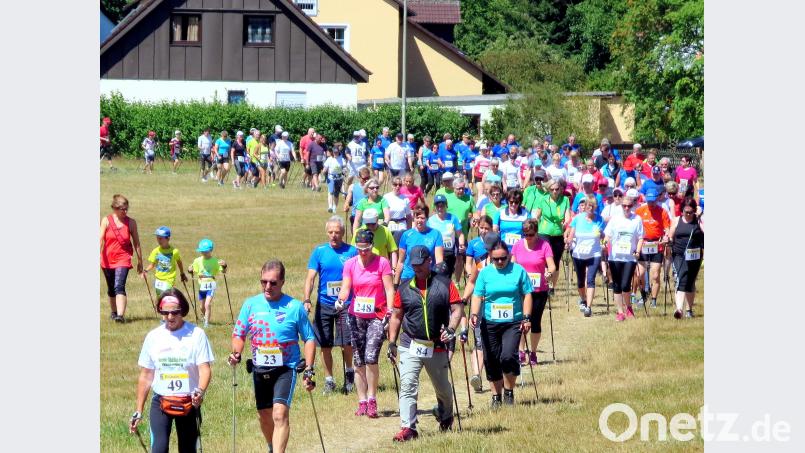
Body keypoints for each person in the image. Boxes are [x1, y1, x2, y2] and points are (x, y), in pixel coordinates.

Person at [228, 260, 317, 453]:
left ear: (283, 282)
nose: (267, 286)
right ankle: (271, 447)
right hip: (260, 368)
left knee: (279, 414)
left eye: (273, 282)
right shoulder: (250, 305)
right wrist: (236, 353)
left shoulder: (294, 307)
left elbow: (309, 338)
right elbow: (239, 334)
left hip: (286, 368)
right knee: (265, 415)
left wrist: (309, 368)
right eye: (264, 282)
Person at [388, 245, 464, 441]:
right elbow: (396, 316)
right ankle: (408, 428)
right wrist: (392, 342)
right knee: (408, 385)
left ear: (429, 261)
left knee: (444, 390)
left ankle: (446, 416)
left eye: (420, 265)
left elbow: (457, 310)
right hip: (409, 344)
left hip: (436, 345)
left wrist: (451, 329)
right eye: (414, 265)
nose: (417, 269)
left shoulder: (445, 284)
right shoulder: (404, 288)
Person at [129, 289, 213, 453]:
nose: (170, 317)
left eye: (175, 312)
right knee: (159, 449)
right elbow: (146, 376)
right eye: (165, 312)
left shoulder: (197, 334)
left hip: (189, 402)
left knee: (188, 449)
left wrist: (200, 392)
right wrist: (138, 410)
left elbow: (205, 370)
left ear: (183, 310)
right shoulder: (153, 337)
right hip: (161, 402)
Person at [338, 229, 395, 418]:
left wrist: (389, 309)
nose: (363, 252)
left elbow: (389, 288)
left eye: (367, 249)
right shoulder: (350, 264)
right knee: (358, 359)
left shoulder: (382, 263)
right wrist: (341, 300)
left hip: (377, 315)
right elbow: (346, 288)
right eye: (360, 249)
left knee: (371, 356)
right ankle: (361, 400)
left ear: (372, 246)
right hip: (356, 316)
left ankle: (372, 398)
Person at [469, 238, 533, 407]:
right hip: (490, 322)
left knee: (508, 356)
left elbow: (527, 294)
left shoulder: (518, 271)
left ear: (508, 255)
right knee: (491, 359)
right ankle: (496, 397)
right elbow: (477, 295)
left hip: (513, 322)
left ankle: (509, 392)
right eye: (495, 259)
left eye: (503, 258)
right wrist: (474, 313)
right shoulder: (484, 273)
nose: (499, 262)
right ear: (490, 256)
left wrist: (526, 317)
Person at [304, 217, 358, 394]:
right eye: (331, 232)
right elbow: (311, 278)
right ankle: (329, 380)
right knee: (325, 344)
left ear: (343, 232)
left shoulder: (352, 251)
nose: (334, 235)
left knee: (346, 343)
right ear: (327, 232)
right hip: (324, 305)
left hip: (346, 304)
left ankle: (350, 374)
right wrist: (307, 299)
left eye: (337, 232)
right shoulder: (319, 252)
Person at [510, 219, 555, 365]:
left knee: (535, 322)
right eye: (525, 234)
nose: (528, 237)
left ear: (536, 232)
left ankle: (533, 353)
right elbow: (513, 266)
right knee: (522, 320)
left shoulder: (544, 245)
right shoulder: (517, 246)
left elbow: (552, 266)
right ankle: (521, 351)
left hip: (539, 290)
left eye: (531, 234)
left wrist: (549, 273)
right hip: (522, 291)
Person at [100, 194, 144, 323]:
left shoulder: (131, 222)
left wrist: (140, 261)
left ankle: (120, 315)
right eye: (122, 209)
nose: (125, 212)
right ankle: (113, 312)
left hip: (123, 259)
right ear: (114, 208)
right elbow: (100, 238)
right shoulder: (106, 220)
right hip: (107, 259)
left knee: (119, 286)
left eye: (126, 209)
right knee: (111, 288)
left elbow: (137, 243)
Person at [603, 196, 644, 321]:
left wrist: (637, 251)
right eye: (624, 206)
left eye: (629, 206)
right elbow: (607, 235)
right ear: (621, 206)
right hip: (615, 256)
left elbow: (641, 237)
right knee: (617, 285)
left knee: (626, 284)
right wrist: (605, 242)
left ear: (633, 206)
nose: (626, 208)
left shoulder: (637, 219)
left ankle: (629, 308)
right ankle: (620, 312)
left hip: (629, 257)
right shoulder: (615, 219)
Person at [566, 196, 606, 317]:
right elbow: (571, 234)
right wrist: (568, 242)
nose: (590, 208)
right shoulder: (577, 219)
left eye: (593, 206)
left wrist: (602, 234)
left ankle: (588, 307)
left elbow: (603, 236)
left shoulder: (600, 219)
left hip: (594, 254)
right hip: (578, 254)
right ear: (585, 206)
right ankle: (583, 299)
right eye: (589, 206)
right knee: (580, 281)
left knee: (590, 280)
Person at [634, 188, 672, 308]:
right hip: (643, 244)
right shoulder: (640, 211)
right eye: (649, 201)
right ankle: (644, 294)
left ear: (657, 199)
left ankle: (654, 300)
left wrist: (666, 236)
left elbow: (667, 228)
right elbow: (634, 227)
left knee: (655, 274)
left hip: (657, 244)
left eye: (653, 201)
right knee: (640, 274)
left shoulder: (662, 212)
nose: (651, 204)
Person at [534, 178, 572, 292]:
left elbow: (567, 216)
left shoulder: (565, 200)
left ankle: (552, 287)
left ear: (560, 189)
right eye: (552, 189)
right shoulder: (543, 199)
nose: (555, 191)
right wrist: (534, 225)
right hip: (544, 231)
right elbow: (537, 215)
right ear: (548, 190)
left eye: (557, 189)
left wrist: (566, 222)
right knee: (545, 259)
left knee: (555, 261)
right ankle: (544, 283)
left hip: (558, 232)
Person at [669, 198, 704, 319]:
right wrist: (667, 241)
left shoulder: (698, 220)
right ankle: (679, 309)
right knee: (681, 278)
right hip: (679, 254)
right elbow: (670, 235)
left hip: (695, 254)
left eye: (690, 212)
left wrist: (699, 217)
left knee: (690, 281)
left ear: (694, 211)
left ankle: (689, 310)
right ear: (682, 210)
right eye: (686, 212)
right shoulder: (677, 220)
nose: (688, 214)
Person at [394, 205, 446, 286]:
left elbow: (439, 261)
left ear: (427, 218)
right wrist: (395, 283)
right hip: (408, 276)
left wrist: (439, 280)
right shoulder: (406, 235)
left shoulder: (436, 234)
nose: (419, 220)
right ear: (413, 218)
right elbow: (401, 261)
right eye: (417, 217)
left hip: (427, 277)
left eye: (422, 218)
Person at [188, 239, 226, 328]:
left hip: (211, 285)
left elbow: (223, 271)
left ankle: (206, 324)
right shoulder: (197, 261)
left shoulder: (215, 261)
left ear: (211, 250)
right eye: (202, 251)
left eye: (206, 251)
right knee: (202, 307)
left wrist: (224, 266)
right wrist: (190, 270)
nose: (204, 253)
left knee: (207, 304)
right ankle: (205, 317)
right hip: (202, 286)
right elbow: (193, 270)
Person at [143, 226, 188, 296]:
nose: (158, 240)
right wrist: (145, 271)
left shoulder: (174, 251)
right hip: (159, 279)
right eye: (157, 238)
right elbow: (152, 264)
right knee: (159, 298)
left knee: (166, 295)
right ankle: (157, 307)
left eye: (161, 238)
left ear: (168, 239)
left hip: (169, 279)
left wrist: (182, 273)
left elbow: (179, 262)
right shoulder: (156, 251)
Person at [428, 194, 466, 278]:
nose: (440, 208)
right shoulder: (430, 221)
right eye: (437, 205)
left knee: (447, 276)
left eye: (442, 205)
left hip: (449, 251)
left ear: (446, 205)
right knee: (435, 274)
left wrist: (461, 244)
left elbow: (460, 234)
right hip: (435, 251)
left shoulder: (453, 218)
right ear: (435, 207)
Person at [383, 176, 413, 242]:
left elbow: (409, 217)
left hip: (402, 225)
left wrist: (409, 231)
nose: (397, 186)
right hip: (390, 225)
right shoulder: (386, 197)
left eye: (400, 185)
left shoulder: (405, 199)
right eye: (395, 184)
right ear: (391, 185)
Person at [322, 145, 347, 213]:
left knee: (336, 194)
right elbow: (325, 169)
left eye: (337, 152)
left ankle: (334, 207)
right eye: (334, 152)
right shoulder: (329, 159)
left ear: (339, 152)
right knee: (330, 191)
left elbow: (344, 167)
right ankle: (330, 206)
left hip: (339, 178)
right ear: (332, 152)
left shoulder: (341, 159)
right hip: (331, 178)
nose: (335, 153)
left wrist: (344, 171)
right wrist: (324, 173)